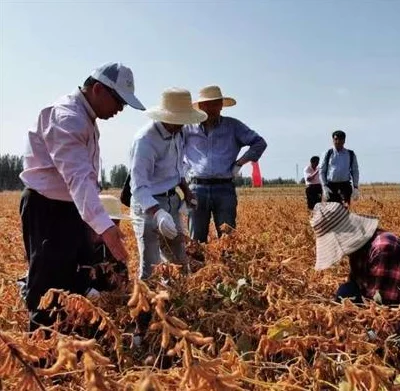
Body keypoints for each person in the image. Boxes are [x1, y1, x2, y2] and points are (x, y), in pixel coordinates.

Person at [19, 62, 145, 331]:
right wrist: (105, 227)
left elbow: (83, 181)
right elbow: (78, 178)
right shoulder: (68, 117)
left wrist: (91, 221)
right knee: (48, 289)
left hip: (68, 208)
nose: (120, 110)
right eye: (119, 101)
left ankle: (71, 343)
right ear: (98, 89)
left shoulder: (83, 118)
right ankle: (43, 359)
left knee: (73, 277)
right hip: (48, 209)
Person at [129, 88, 207, 280]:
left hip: (171, 202)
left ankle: (176, 304)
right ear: (166, 116)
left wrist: (186, 192)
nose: (182, 124)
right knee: (152, 266)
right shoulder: (145, 141)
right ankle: (148, 306)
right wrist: (157, 213)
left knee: (178, 261)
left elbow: (177, 169)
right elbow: (138, 186)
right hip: (148, 206)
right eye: (179, 119)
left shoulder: (177, 133)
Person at [183, 85, 267, 243]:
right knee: (196, 241)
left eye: (215, 104)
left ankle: (228, 267)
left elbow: (259, 142)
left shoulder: (233, 126)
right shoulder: (188, 128)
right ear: (200, 106)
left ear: (221, 105)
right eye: (207, 104)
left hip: (224, 188)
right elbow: (175, 150)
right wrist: (184, 171)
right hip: (196, 188)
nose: (210, 108)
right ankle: (199, 268)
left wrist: (240, 163)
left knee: (227, 239)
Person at [78, 195, 130, 296]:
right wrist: (86, 290)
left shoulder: (111, 248)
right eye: (112, 223)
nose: (115, 228)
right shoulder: (76, 245)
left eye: (117, 222)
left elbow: (121, 274)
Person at [319, 130, 360, 208]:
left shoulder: (350, 154)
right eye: (336, 139)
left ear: (344, 140)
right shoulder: (327, 153)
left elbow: (355, 171)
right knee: (331, 209)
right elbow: (322, 171)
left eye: (340, 139)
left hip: (345, 186)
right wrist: (324, 186)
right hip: (331, 186)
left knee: (344, 209)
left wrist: (355, 187)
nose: (338, 141)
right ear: (333, 140)